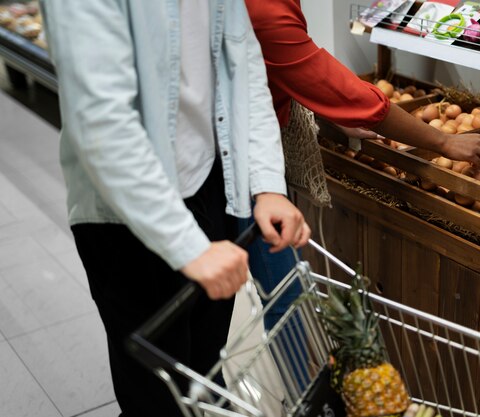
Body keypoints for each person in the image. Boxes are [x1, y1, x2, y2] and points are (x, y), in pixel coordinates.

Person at [41, 1, 310, 416]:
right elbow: (99, 119)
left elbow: (243, 65)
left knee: (203, 373)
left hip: (211, 183)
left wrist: (267, 185)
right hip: (124, 213)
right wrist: (189, 248)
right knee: (155, 398)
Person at [242, 0, 480, 330]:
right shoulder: (264, 8)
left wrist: (332, 112)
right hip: (237, 164)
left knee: (278, 295)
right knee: (286, 300)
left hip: (247, 155)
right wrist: (445, 142)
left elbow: (286, 69)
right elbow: (318, 75)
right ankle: (301, 378)